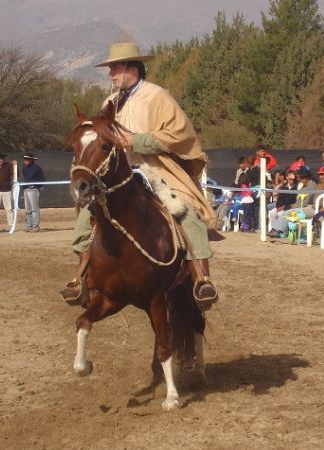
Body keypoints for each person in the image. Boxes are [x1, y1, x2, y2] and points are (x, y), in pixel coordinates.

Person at [65, 42, 219, 307]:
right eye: (111, 68)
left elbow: (180, 135)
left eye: (115, 68)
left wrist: (136, 141)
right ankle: (82, 278)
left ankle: (202, 280)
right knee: (83, 223)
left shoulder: (157, 97)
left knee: (187, 215)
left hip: (154, 170)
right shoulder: (109, 102)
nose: (110, 73)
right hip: (116, 177)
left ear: (132, 69)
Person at [21, 152, 45, 232]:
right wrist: (24, 189)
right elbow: (25, 179)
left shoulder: (37, 168)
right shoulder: (24, 168)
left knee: (34, 209)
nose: (25, 161)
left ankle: (35, 226)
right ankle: (29, 226)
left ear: (31, 160)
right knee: (28, 209)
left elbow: (42, 179)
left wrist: (37, 187)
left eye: (27, 159)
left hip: (33, 189)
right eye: (25, 159)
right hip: (26, 189)